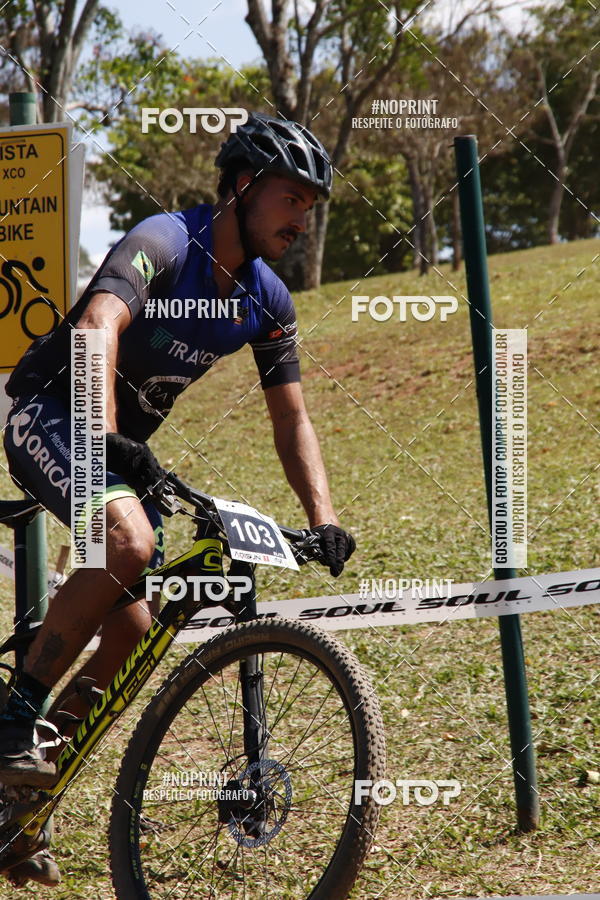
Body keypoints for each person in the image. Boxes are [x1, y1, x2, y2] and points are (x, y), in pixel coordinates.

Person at [0, 112, 356, 886]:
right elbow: (97, 326)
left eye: (309, 206)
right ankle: (13, 716)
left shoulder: (267, 300)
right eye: (291, 199)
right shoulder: (166, 239)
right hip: (52, 412)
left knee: (132, 632)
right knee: (130, 542)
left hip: (119, 451)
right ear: (243, 186)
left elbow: (291, 418)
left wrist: (323, 518)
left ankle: (17, 803)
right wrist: (105, 437)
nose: (301, 219)